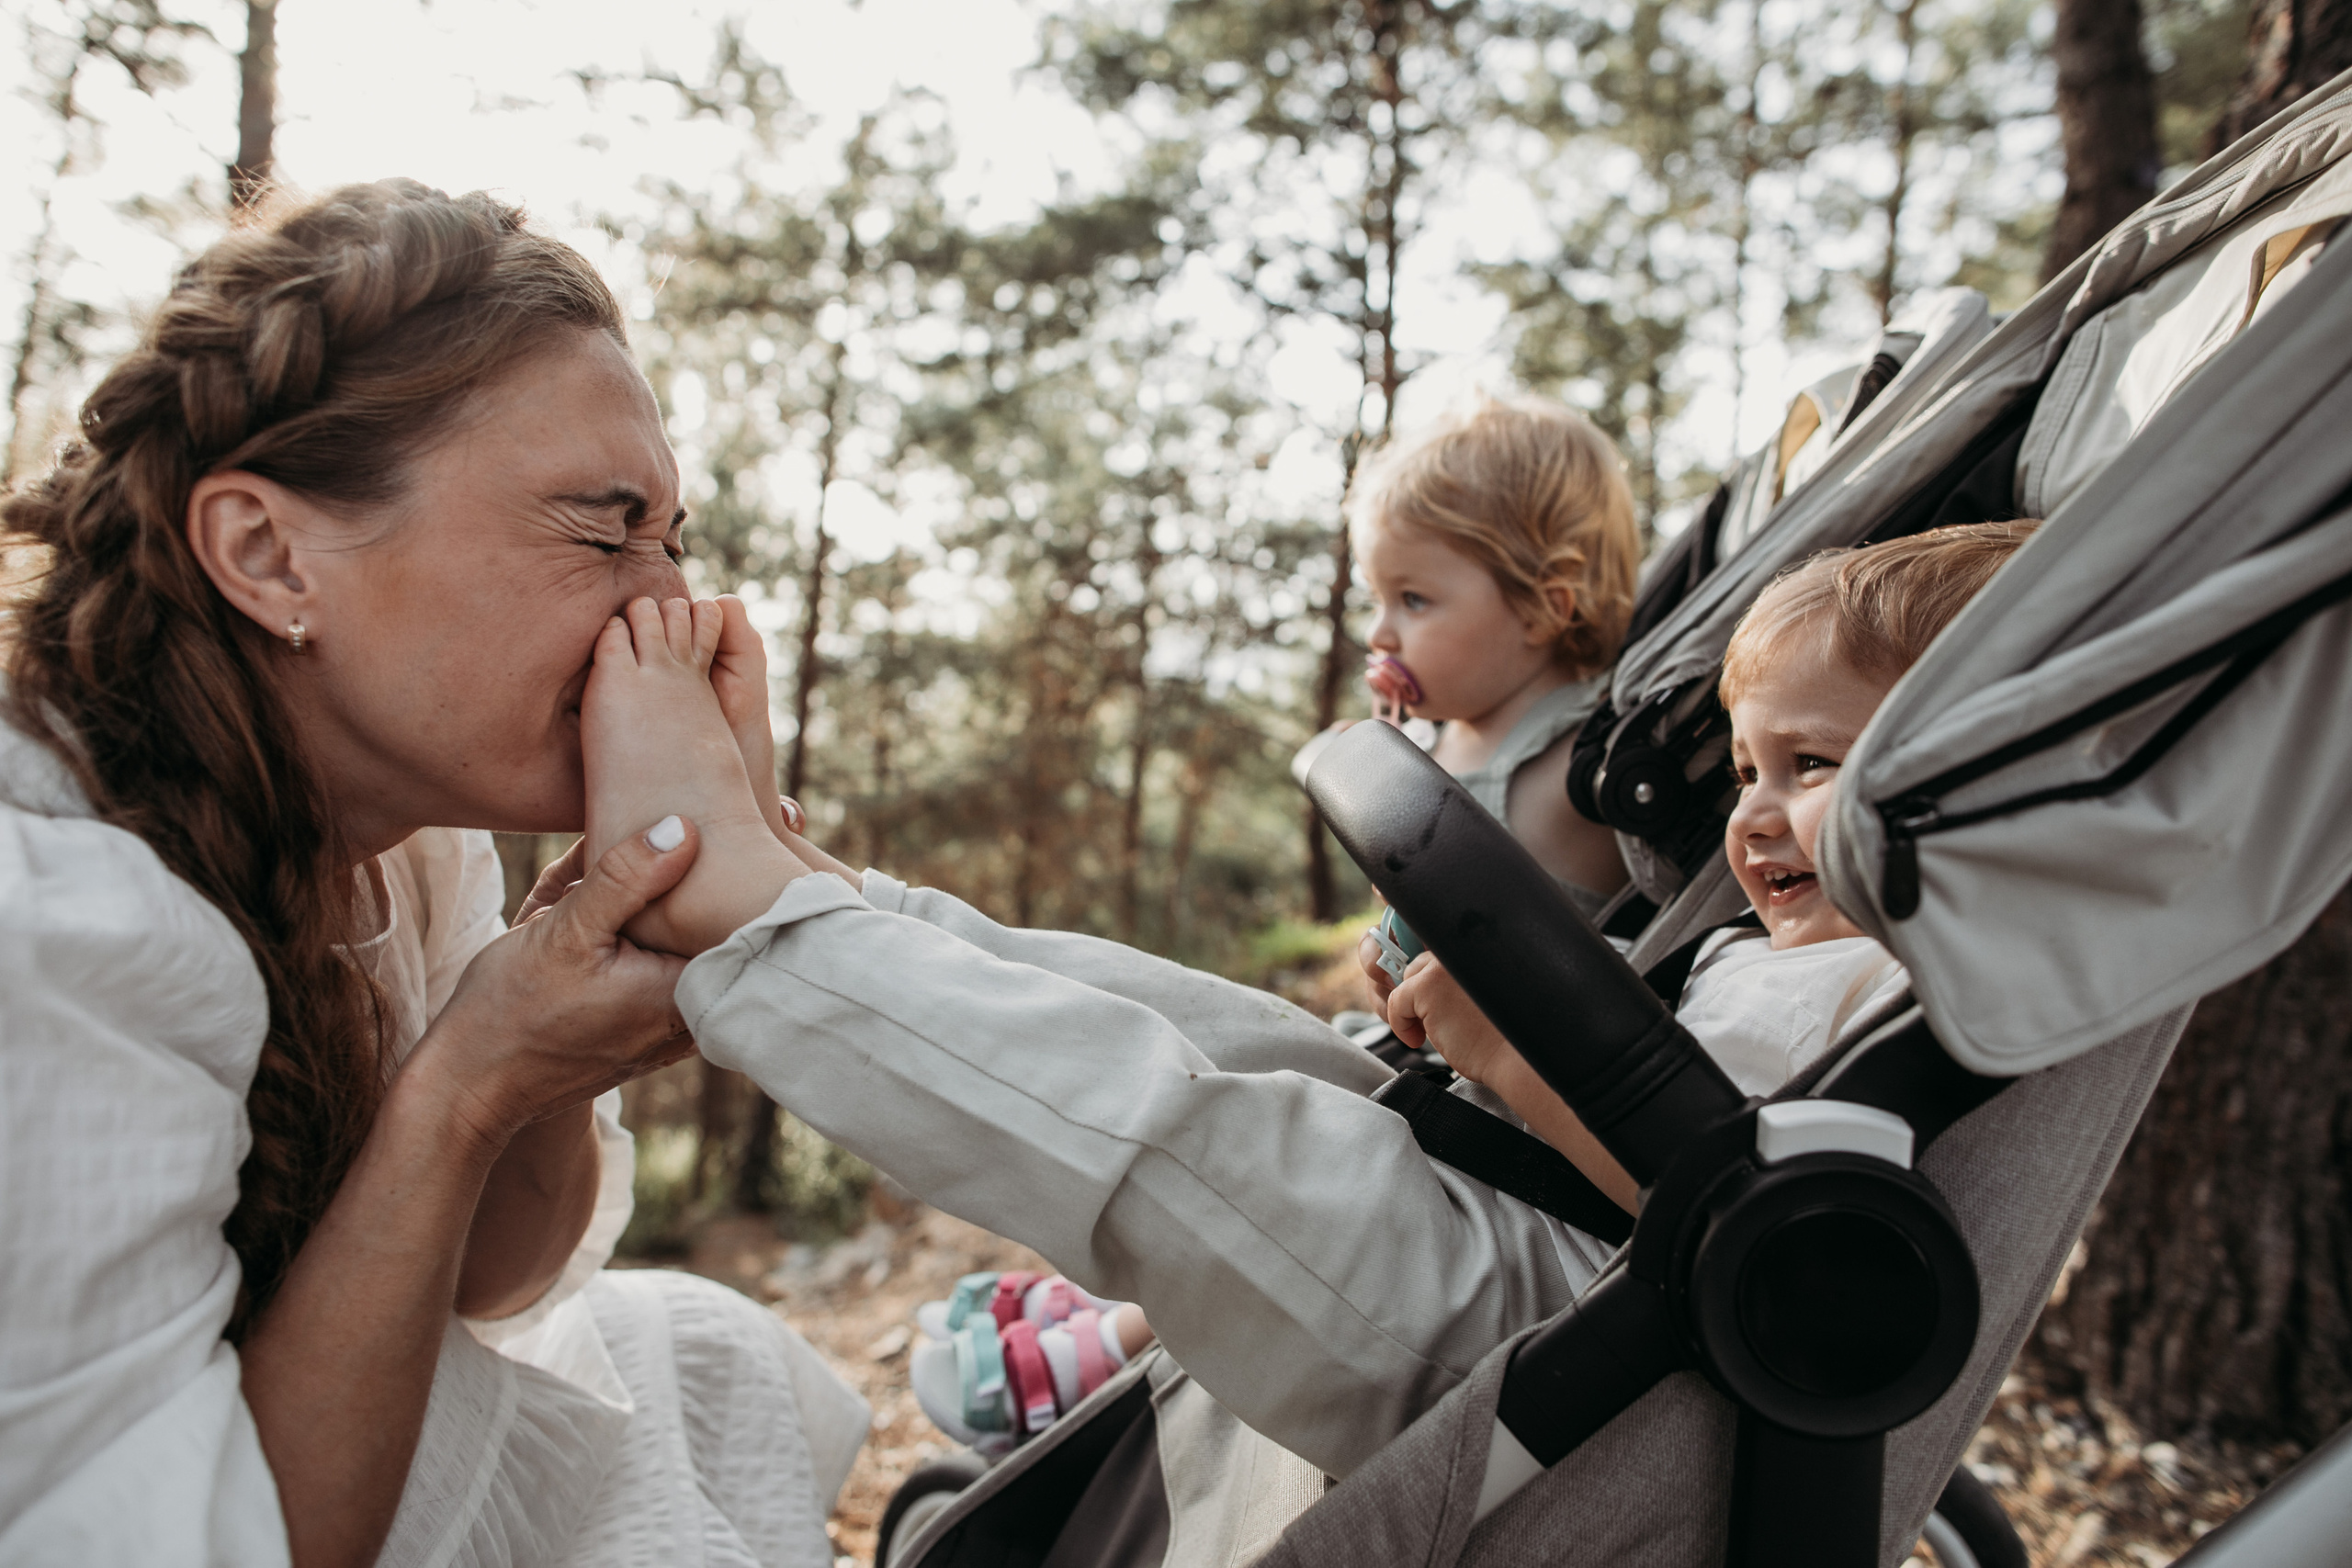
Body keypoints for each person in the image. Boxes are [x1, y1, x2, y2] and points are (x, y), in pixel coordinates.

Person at [0, 181, 865, 1568]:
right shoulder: (53, 924)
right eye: (602, 531)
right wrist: (467, 1082)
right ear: (270, 554)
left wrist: (548, 1051)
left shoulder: (413, 844)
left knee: (701, 1345)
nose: (674, 608)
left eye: (673, 540)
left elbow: (490, 1282)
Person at [1378, 521, 2041, 1203]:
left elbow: (1731, 1200)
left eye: (1812, 762)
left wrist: (1502, 1053)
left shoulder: (1900, 997)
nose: (1749, 817)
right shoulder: (1745, 944)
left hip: (1535, 1240)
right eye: (1746, 774)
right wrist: (1476, 976)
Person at [1320, 396, 1643, 916]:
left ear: (1540, 610)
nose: (1379, 633)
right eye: (1377, 599)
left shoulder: (1577, 771)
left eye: (1413, 600)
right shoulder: (1434, 737)